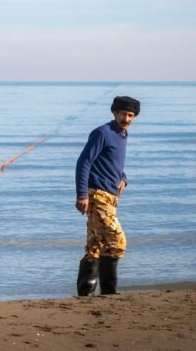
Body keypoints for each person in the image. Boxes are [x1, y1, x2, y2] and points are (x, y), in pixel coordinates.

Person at [75, 96, 140, 296]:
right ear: (114, 113)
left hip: (111, 196)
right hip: (97, 196)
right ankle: (109, 291)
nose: (126, 119)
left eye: (131, 115)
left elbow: (113, 162)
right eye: (123, 114)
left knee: (96, 245)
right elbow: (84, 162)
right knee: (117, 242)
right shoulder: (103, 133)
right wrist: (82, 194)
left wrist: (124, 178)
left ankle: (86, 294)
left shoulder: (122, 134)